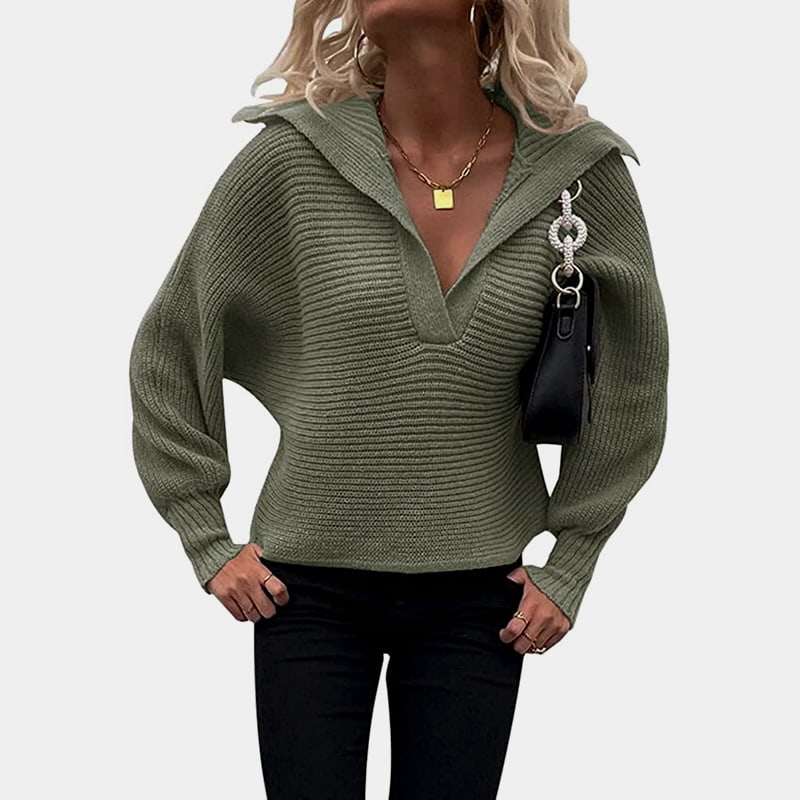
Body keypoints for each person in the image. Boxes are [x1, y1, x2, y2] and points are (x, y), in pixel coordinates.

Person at [128, 1, 669, 797]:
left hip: (481, 595)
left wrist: (573, 561)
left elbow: (633, 382)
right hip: (303, 588)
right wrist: (205, 537)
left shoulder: (578, 174)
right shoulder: (291, 158)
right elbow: (170, 347)